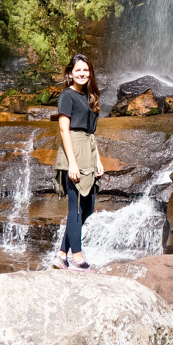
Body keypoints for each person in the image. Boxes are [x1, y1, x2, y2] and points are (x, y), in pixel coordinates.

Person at [52, 53, 104, 270]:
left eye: (86, 70)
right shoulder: (67, 96)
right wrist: (72, 163)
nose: (82, 74)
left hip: (88, 151)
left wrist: (98, 160)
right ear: (70, 74)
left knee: (88, 207)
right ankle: (77, 259)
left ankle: (62, 254)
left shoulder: (89, 97)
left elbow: (91, 134)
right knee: (75, 208)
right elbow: (64, 130)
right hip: (73, 150)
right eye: (78, 70)